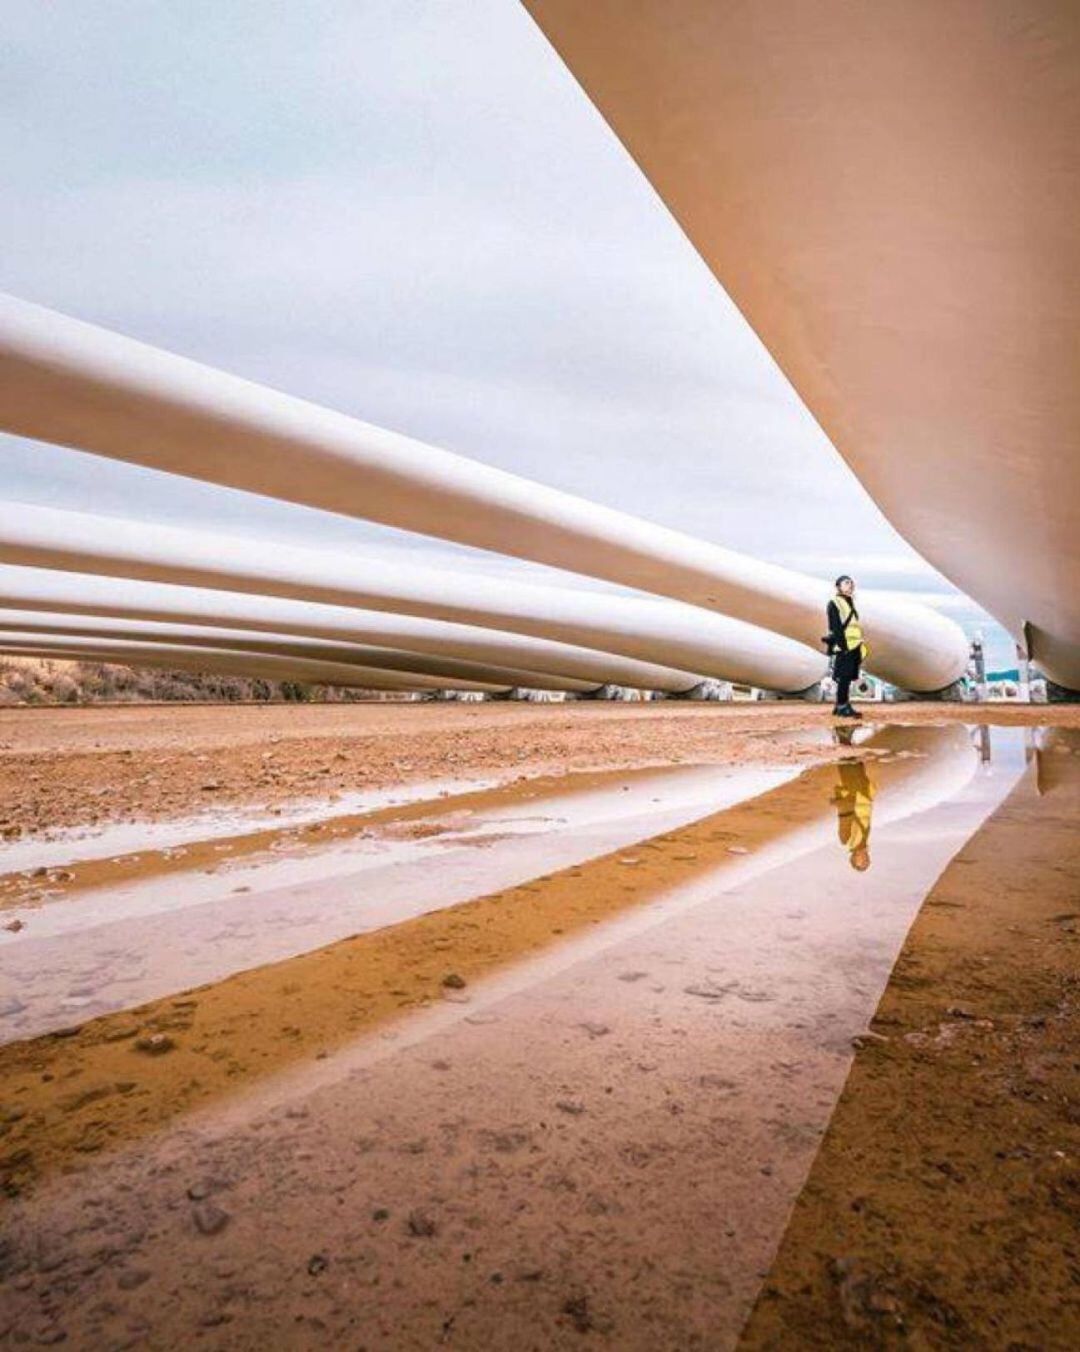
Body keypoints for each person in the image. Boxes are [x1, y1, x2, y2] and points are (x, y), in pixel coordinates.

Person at [825, 575, 868, 719]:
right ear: (838, 587)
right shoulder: (834, 603)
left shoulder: (850, 602)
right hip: (845, 646)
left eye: (851, 583)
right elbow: (835, 626)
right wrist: (842, 646)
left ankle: (841, 705)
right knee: (843, 677)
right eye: (846, 583)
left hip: (854, 645)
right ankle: (842, 706)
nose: (850, 585)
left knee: (847, 677)